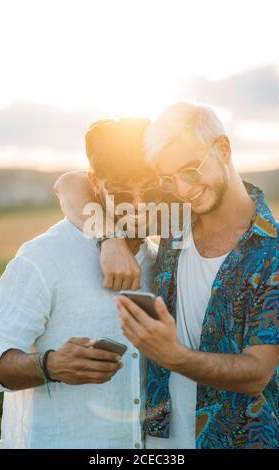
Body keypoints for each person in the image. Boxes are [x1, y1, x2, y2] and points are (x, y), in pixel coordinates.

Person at [115, 102, 279, 449]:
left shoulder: (273, 252)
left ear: (222, 149)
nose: (182, 189)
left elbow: (256, 372)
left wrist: (172, 355)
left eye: (190, 170)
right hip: (160, 442)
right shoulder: (173, 222)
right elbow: (73, 184)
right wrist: (108, 242)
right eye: (168, 179)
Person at [0, 118, 159, 449]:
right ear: (95, 184)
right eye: (121, 191)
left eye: (151, 188)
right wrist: (51, 364)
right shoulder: (44, 257)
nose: (139, 204)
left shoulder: (162, 261)